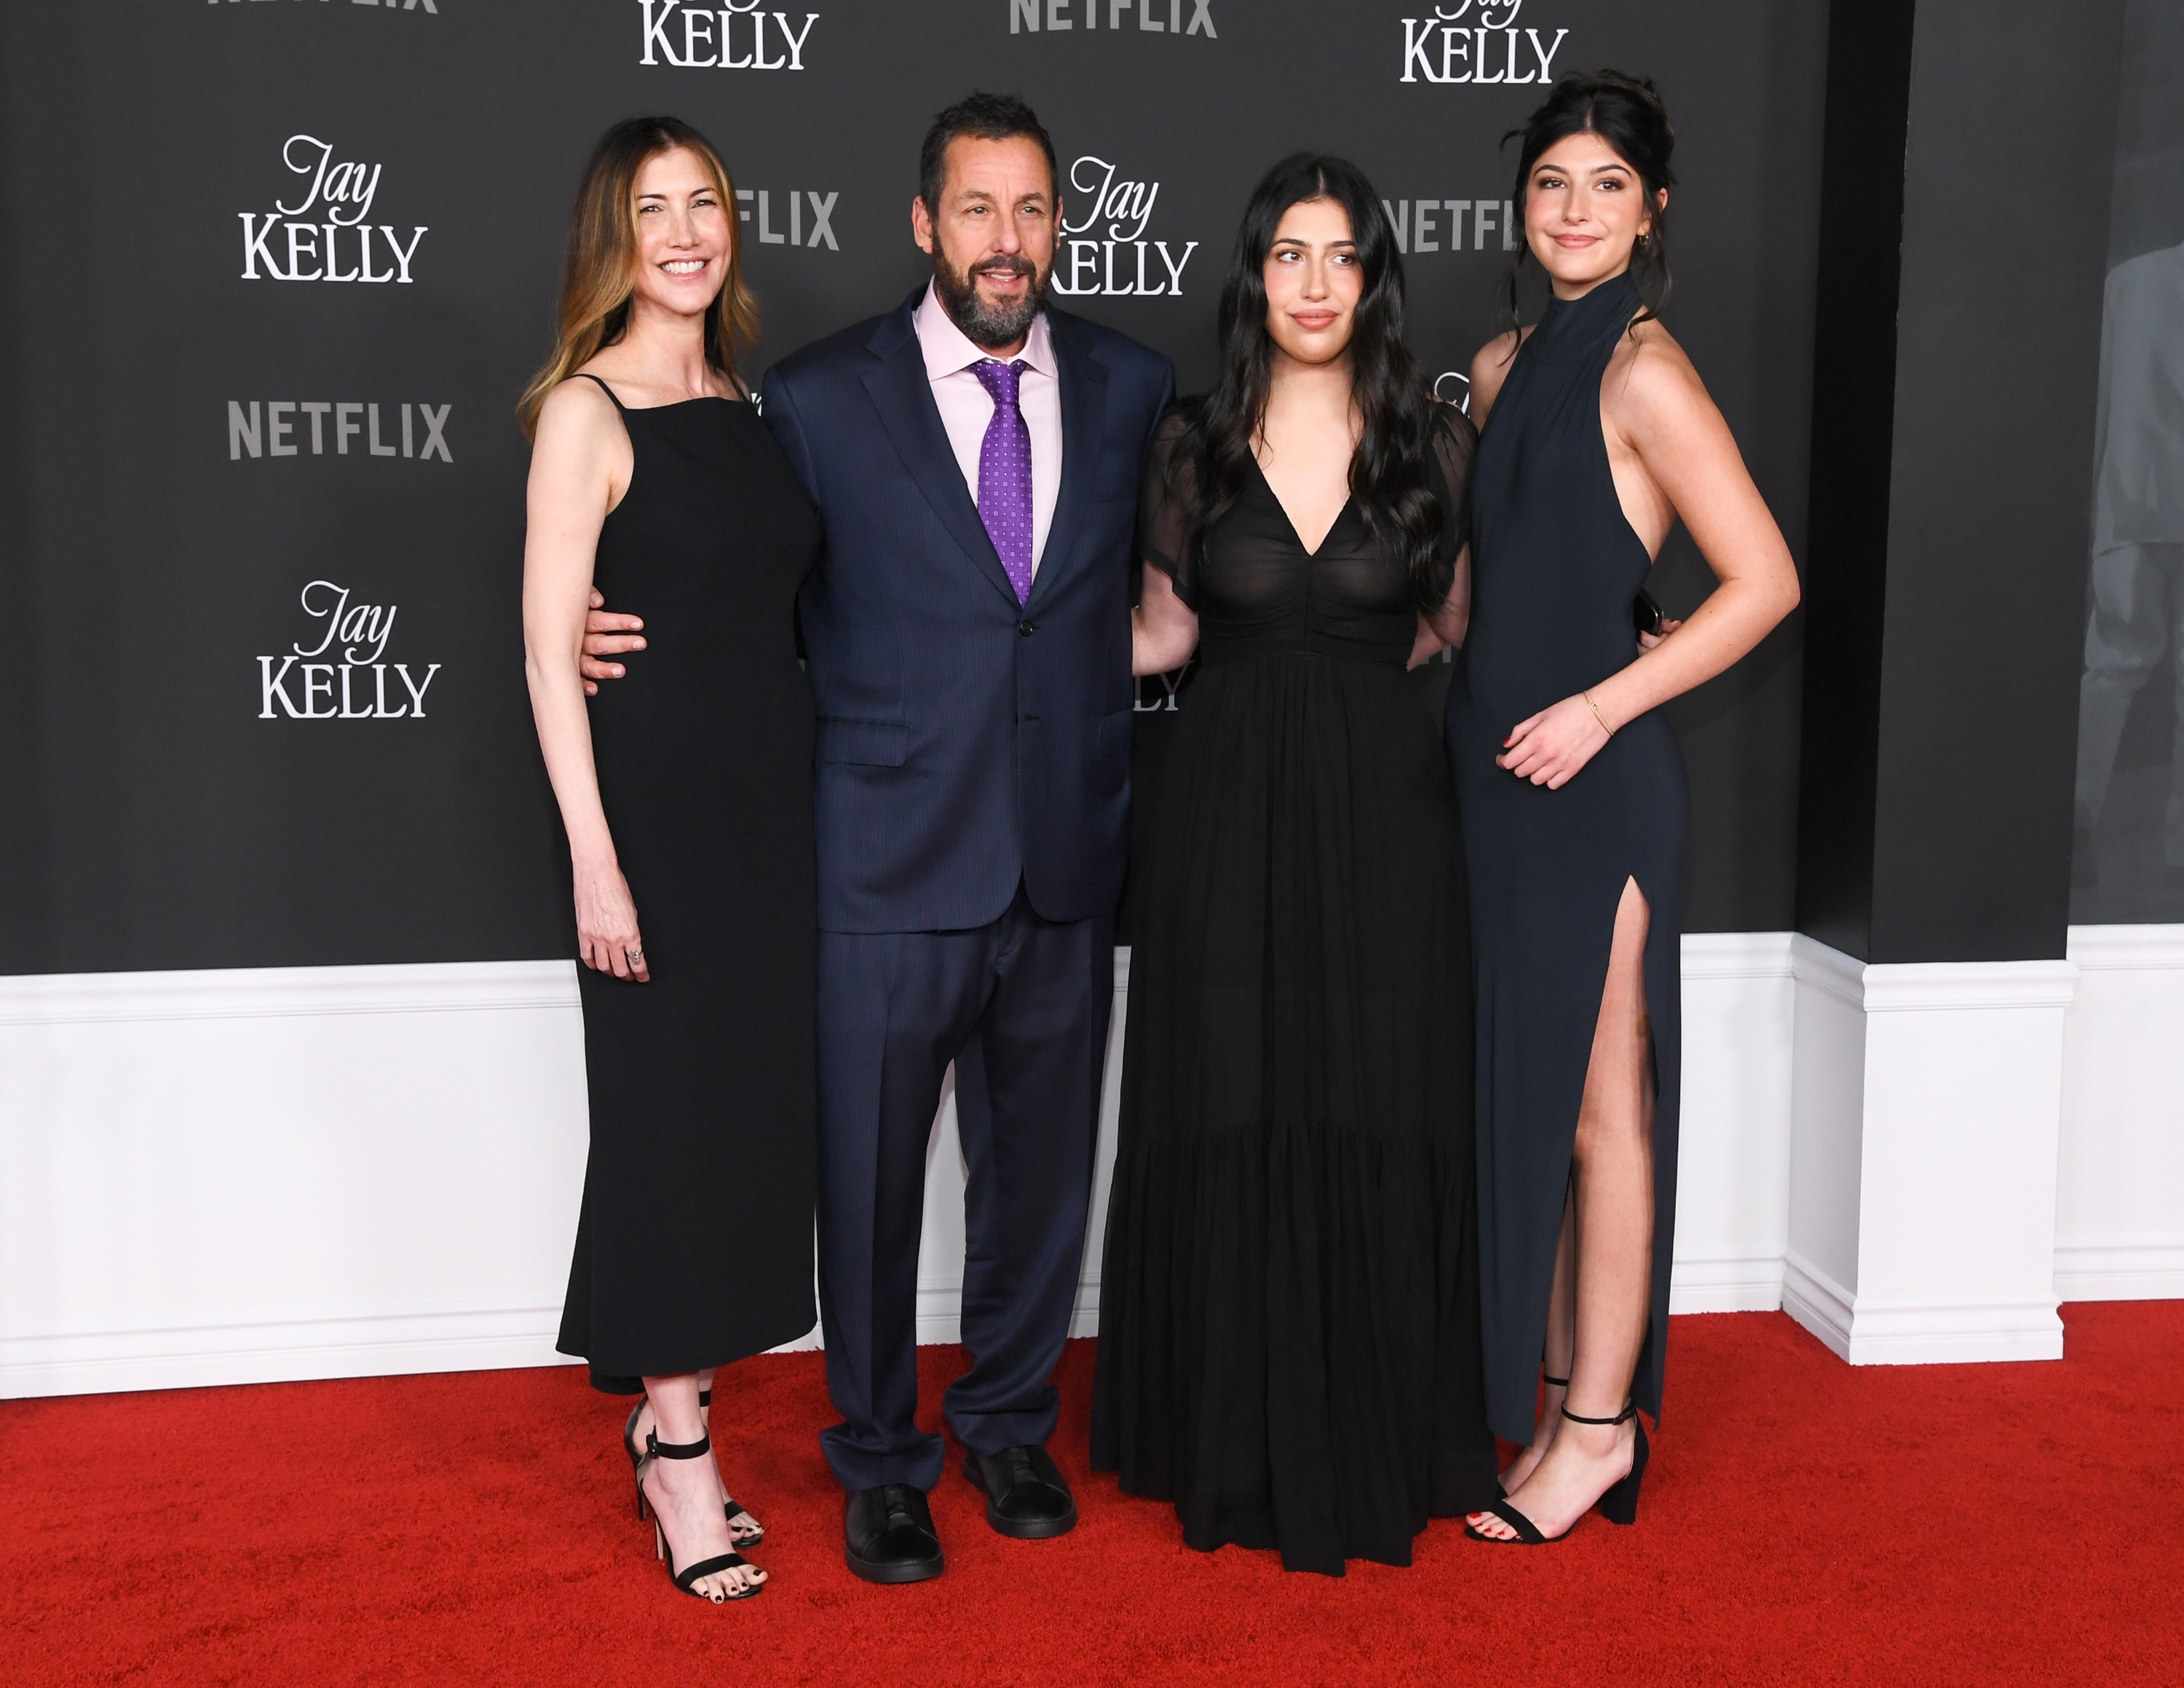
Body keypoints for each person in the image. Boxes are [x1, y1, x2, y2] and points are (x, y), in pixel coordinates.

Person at [582, 92, 1174, 1584]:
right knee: (867, 1183)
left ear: (1060, 223)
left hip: (1064, 845)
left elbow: (1155, 595)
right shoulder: (818, 395)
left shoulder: (1130, 382)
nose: (1006, 240)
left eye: (1033, 209)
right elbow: (731, 571)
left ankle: (1008, 1421)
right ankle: (881, 1457)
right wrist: (597, 630)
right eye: (976, 209)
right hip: (880, 854)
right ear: (924, 223)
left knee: (1040, 1172)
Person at [1092, 155, 1497, 1575]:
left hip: (1390, 820)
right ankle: (1229, 1431)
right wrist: (970, 652)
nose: (1314, 284)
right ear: (1252, 277)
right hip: (1222, 818)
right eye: (1288, 256)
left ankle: (1375, 1424)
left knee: (1374, 1092)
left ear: (1373, 278)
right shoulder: (1191, 446)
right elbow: (1158, 633)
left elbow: (1454, 629)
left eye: (1341, 257)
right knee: (1236, 1083)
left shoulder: (1433, 445)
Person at [1449, 72, 1800, 1546]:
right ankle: (1553, 1399)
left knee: (1602, 1111)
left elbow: (1767, 579)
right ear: (1521, 203)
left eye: (1607, 184)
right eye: (1553, 183)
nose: (1576, 209)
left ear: (1652, 210)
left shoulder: (1646, 371)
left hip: (1598, 791)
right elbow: (1481, 599)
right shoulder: (1497, 360)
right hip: (1493, 781)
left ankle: (1597, 1431)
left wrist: (1608, 702)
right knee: (1529, 1104)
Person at [520, 116, 820, 1604]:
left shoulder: (752, 403)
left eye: (707, 203)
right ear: (613, 238)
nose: (688, 232)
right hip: (653, 826)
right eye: (656, 210)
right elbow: (545, 648)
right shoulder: (588, 410)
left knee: (746, 1126)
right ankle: (681, 1453)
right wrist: (595, 861)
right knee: (666, 1128)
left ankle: (667, 1410)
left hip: (776, 825)